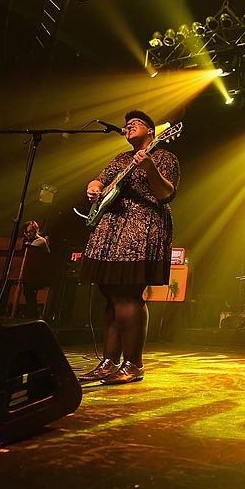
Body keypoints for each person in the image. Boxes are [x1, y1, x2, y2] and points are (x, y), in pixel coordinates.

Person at [78, 110, 180, 384]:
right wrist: (94, 186)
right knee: (110, 294)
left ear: (151, 131)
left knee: (127, 293)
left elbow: (166, 194)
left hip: (140, 227)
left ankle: (133, 364)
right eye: (126, 126)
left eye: (135, 124)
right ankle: (109, 362)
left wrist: (149, 168)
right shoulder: (121, 159)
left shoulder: (164, 157)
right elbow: (100, 179)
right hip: (111, 229)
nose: (128, 127)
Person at [19, 220, 50, 319]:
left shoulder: (40, 241)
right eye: (26, 232)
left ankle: (33, 313)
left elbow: (29, 252)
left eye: (30, 232)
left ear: (36, 230)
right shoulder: (28, 241)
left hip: (40, 275)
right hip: (30, 273)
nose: (28, 234)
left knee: (28, 286)